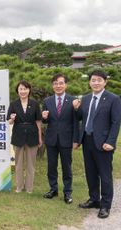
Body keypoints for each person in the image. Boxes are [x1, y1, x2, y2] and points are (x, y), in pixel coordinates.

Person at [73, 70, 121, 218]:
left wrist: (110, 142)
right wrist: (76, 108)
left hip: (103, 143)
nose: (96, 82)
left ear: (105, 82)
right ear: (90, 82)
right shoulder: (86, 98)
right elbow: (81, 117)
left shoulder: (113, 99)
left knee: (105, 174)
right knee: (91, 173)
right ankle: (94, 199)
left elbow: (115, 122)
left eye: (99, 80)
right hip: (87, 140)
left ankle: (105, 205)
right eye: (93, 80)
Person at [42, 73, 79, 204]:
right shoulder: (47, 101)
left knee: (66, 167)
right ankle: (53, 189)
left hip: (66, 139)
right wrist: (44, 117)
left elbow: (76, 122)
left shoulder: (73, 100)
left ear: (65, 85)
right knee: (51, 166)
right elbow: (44, 121)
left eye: (61, 83)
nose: (58, 86)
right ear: (53, 86)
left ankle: (67, 192)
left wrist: (76, 140)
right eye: (55, 83)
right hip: (51, 139)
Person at [7, 80, 42, 193]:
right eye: (20, 89)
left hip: (32, 135)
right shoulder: (13, 104)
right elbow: (9, 122)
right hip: (18, 136)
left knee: (31, 164)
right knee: (18, 164)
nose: (23, 91)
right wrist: (12, 118)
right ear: (17, 91)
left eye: (25, 88)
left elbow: (38, 122)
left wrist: (40, 137)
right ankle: (19, 186)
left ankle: (29, 188)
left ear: (29, 90)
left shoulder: (35, 104)